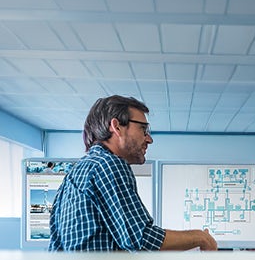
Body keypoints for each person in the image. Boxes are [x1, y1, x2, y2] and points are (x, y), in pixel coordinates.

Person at [48, 95, 217, 252]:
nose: (149, 139)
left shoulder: (75, 172)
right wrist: (200, 237)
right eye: (143, 129)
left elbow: (55, 247)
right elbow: (141, 239)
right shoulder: (109, 165)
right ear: (117, 127)